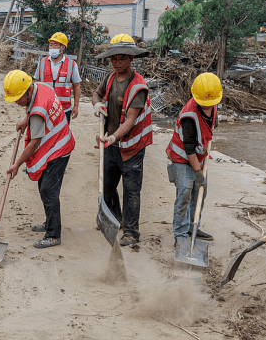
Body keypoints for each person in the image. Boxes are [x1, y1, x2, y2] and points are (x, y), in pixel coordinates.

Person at [91, 37, 153, 247]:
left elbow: (131, 120)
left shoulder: (138, 86)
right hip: (111, 145)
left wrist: (112, 137)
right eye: (113, 59)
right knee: (107, 186)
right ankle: (114, 218)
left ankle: (131, 232)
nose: (117, 63)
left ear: (130, 59)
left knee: (131, 190)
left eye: (121, 59)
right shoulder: (109, 78)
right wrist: (97, 105)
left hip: (132, 147)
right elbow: (96, 94)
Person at [4, 70, 75, 248]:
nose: (17, 103)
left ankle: (53, 234)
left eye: (19, 98)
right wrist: (25, 120)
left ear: (28, 90)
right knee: (45, 187)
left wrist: (17, 164)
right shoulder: (40, 86)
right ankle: (49, 222)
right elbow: (34, 105)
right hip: (57, 141)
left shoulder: (38, 111)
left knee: (48, 190)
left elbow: (34, 143)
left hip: (59, 148)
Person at [166, 73, 221, 242]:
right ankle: (180, 234)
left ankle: (192, 226)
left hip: (198, 157)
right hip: (181, 158)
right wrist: (198, 173)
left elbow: (210, 124)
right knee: (185, 193)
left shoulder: (212, 102)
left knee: (200, 193)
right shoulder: (189, 116)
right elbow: (189, 149)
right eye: (205, 104)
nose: (208, 106)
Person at [33, 32, 81, 122]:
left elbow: (77, 86)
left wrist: (76, 106)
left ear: (62, 48)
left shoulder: (71, 64)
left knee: (62, 135)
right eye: (50, 45)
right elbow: (37, 84)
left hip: (64, 110)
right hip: (45, 108)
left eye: (55, 45)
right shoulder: (42, 62)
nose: (52, 48)